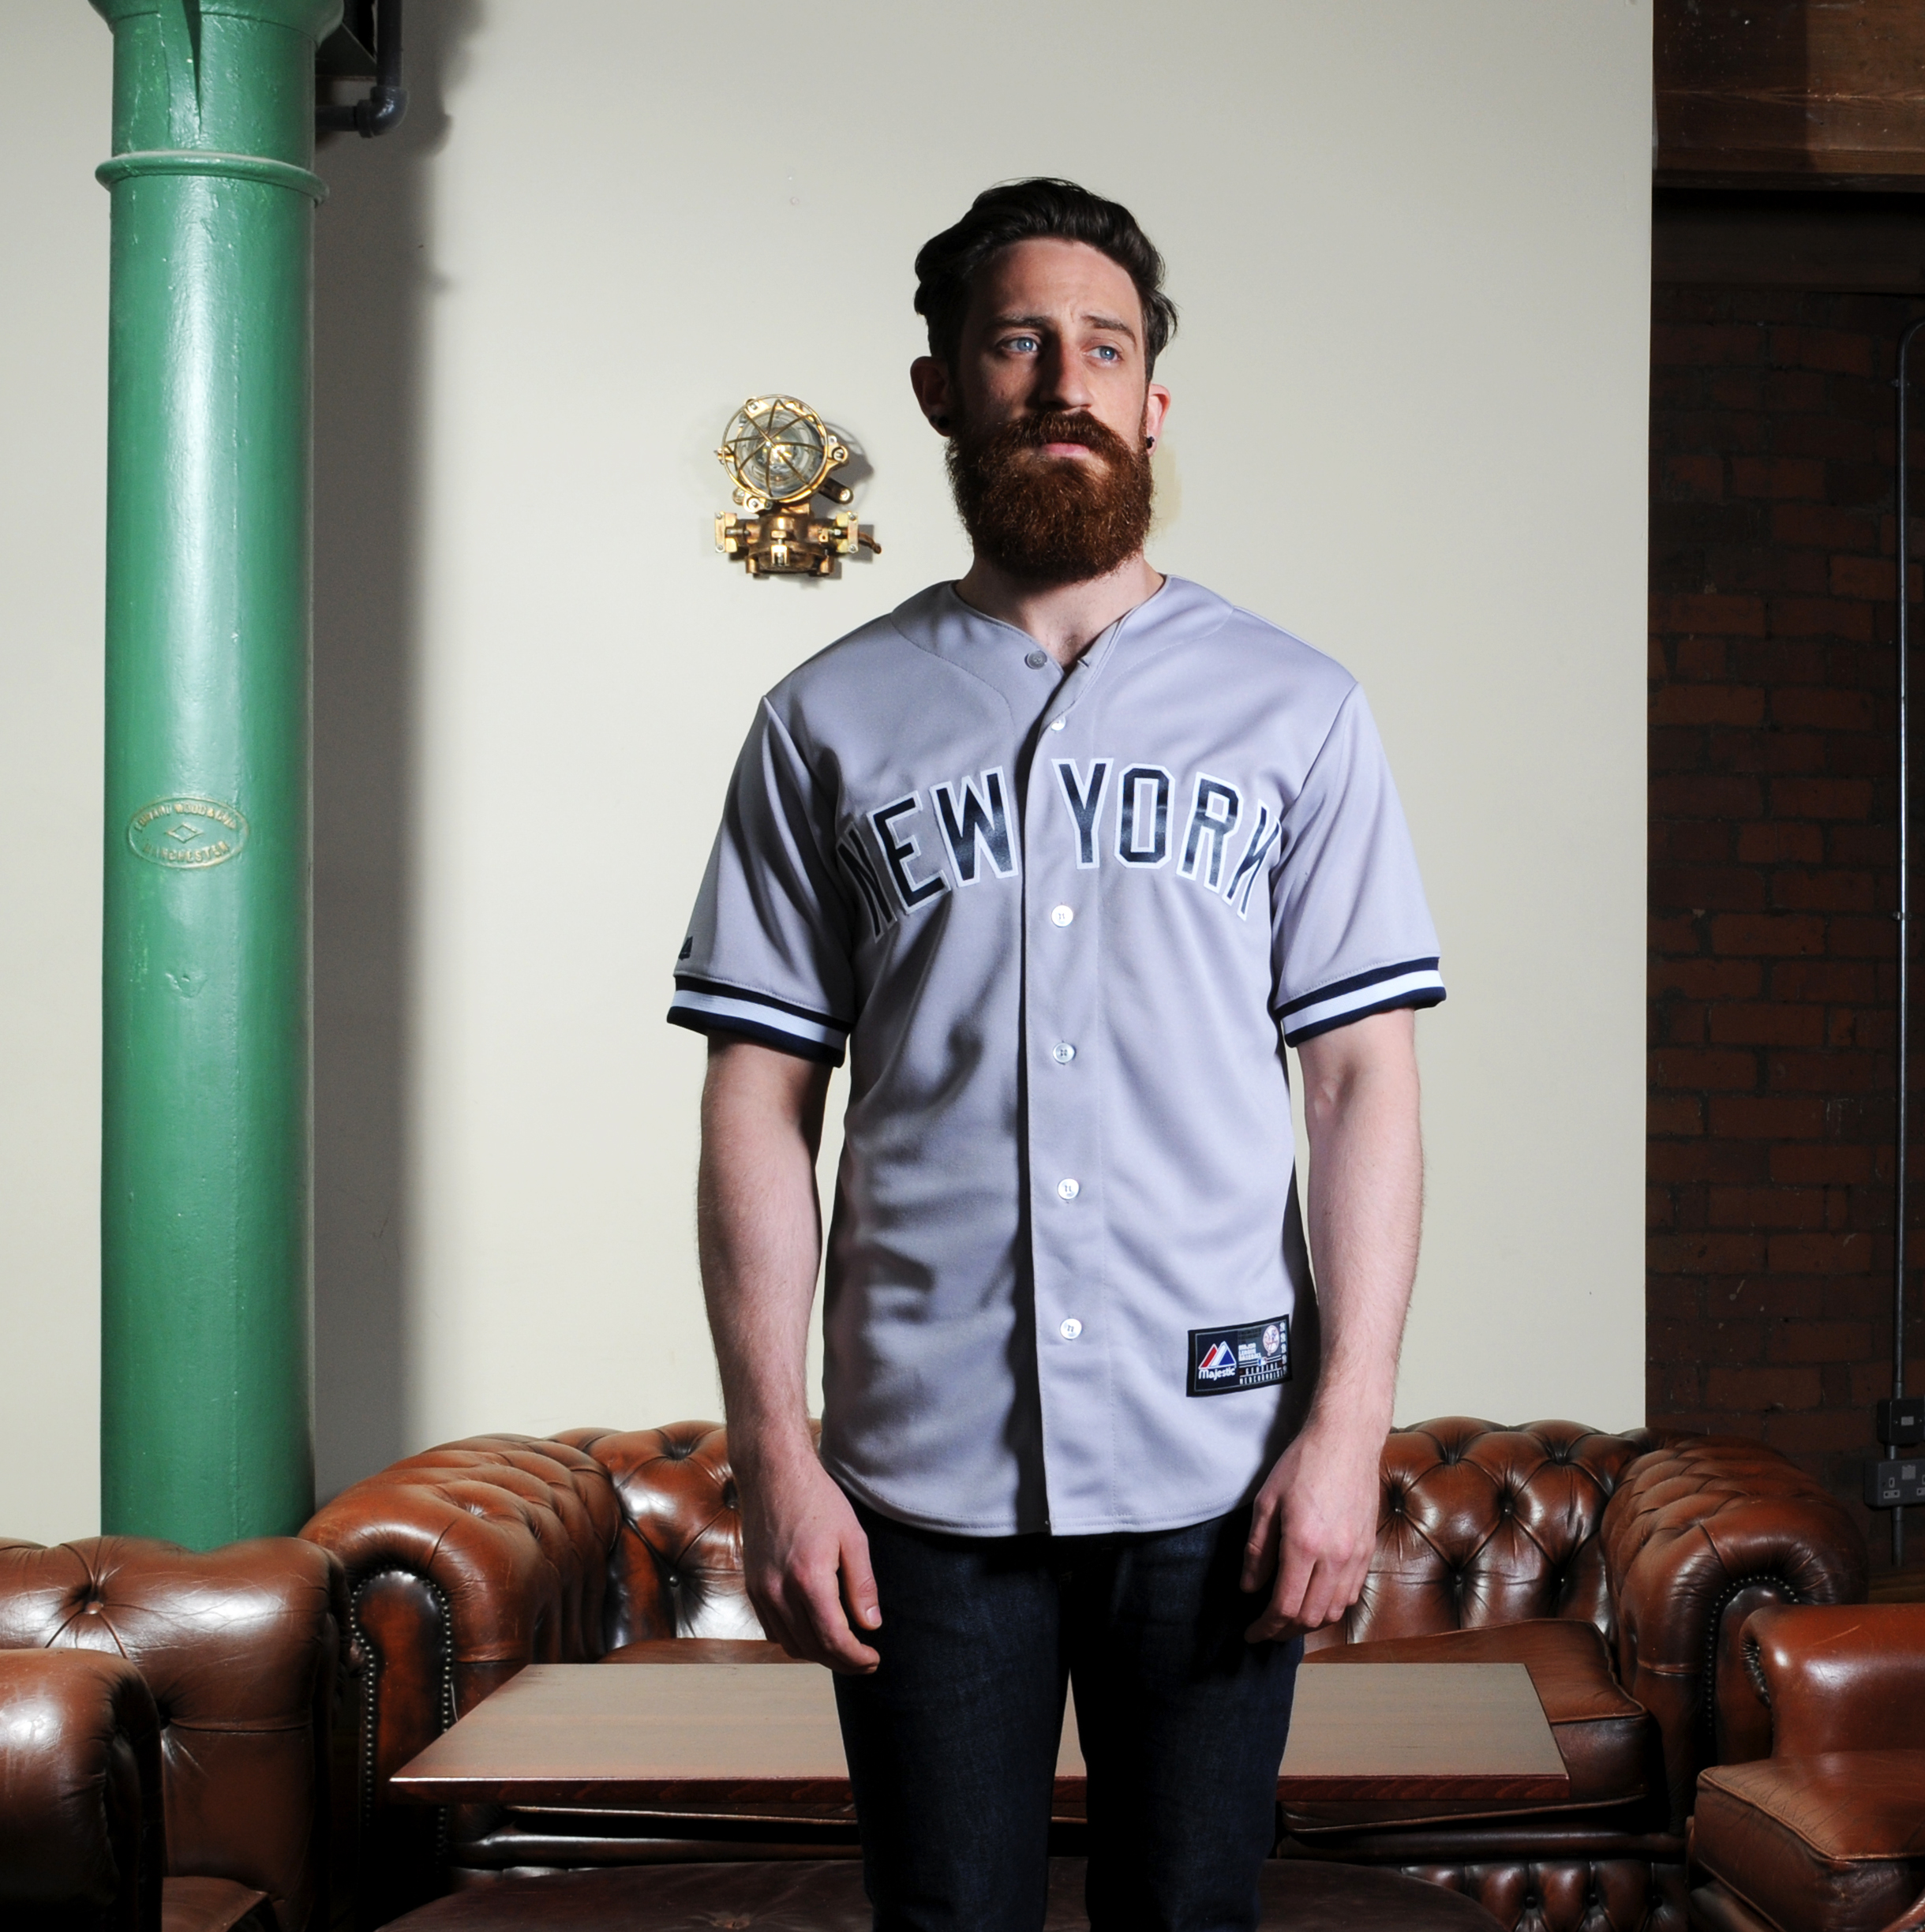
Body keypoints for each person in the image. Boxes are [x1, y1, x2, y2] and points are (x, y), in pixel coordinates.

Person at [670, 178, 1444, 1932]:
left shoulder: (1299, 709)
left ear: (1154, 401)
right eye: (1020, 342)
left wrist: (1349, 1430)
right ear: (943, 386)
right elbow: (758, 1100)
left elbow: (1359, 1085)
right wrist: (775, 1453)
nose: (1063, 383)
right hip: (917, 1478)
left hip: (1219, 1464)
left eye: (1104, 348)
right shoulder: (822, 720)